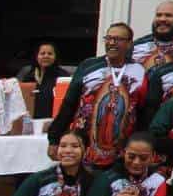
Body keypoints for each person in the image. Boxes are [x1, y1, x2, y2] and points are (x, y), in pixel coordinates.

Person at [48, 22, 148, 170]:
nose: (112, 43)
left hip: (122, 153)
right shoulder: (89, 66)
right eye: (108, 38)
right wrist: (54, 138)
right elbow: (69, 103)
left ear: (129, 44)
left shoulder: (139, 71)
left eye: (118, 39)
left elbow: (143, 110)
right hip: (85, 146)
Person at [16, 41, 67, 119]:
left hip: (53, 120)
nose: (46, 56)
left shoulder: (63, 77)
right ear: (37, 57)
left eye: (50, 54)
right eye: (42, 53)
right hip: (31, 120)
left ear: (55, 56)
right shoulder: (28, 76)